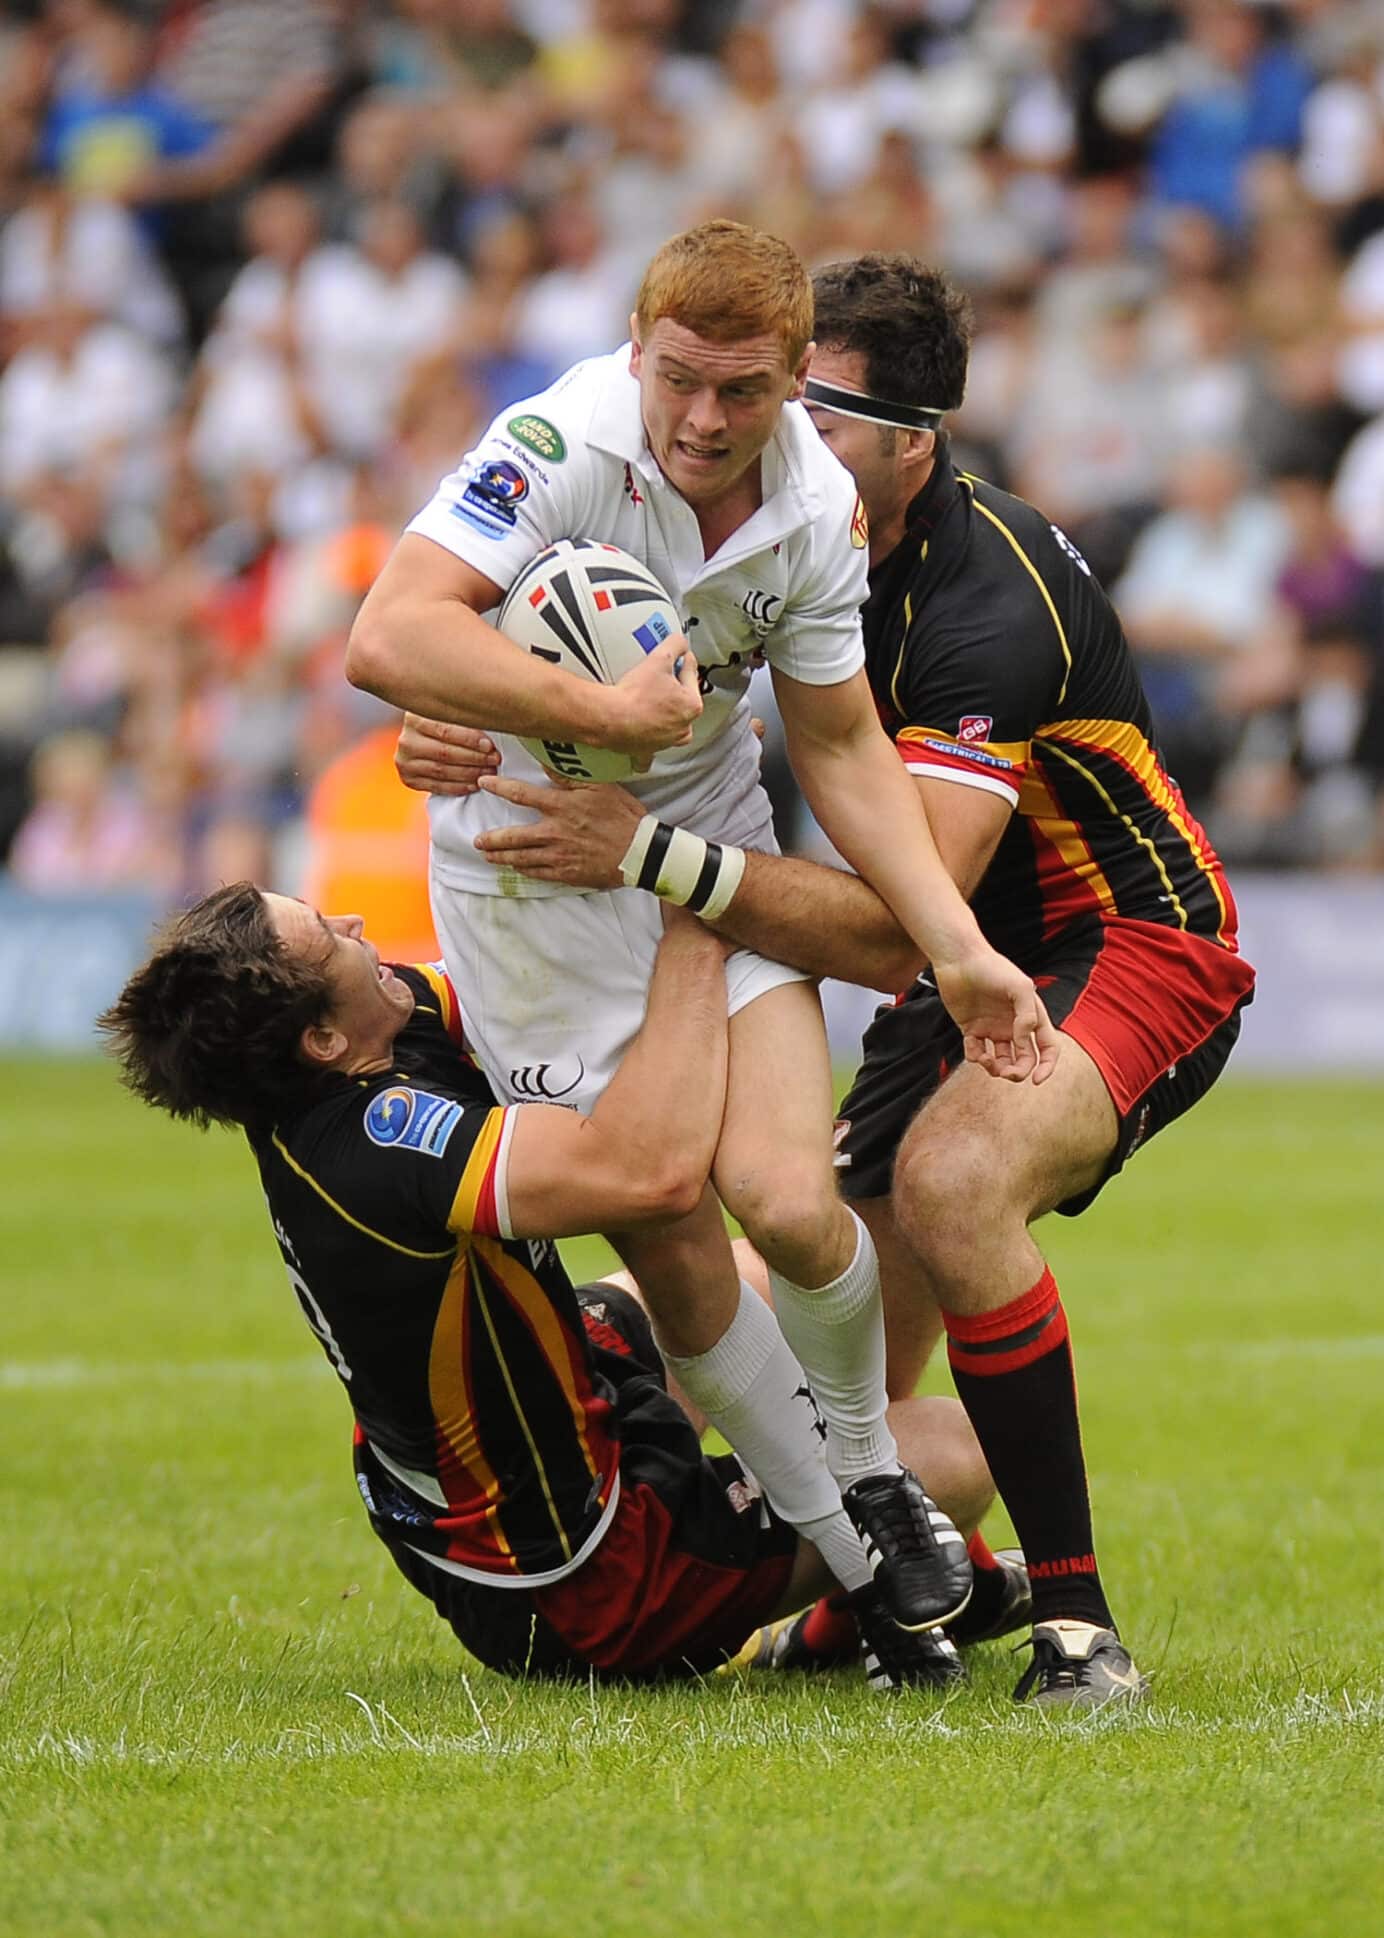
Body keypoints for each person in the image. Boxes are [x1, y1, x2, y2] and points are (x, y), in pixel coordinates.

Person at [399, 254, 1258, 1708]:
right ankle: (870, 1582)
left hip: (1122, 936)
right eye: (757, 395)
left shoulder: (981, 605)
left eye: (819, 410)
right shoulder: (732, 485)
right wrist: (466, 706)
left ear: (916, 436)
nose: (764, 428)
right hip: (958, 953)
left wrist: (651, 849)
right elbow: (557, 622)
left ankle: (1076, 1627)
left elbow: (874, 929)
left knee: (954, 1187)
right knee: (839, 1291)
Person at [346, 220, 1057, 1640]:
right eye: (679, 379)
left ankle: (869, 1485)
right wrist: (606, 714)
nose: (703, 418)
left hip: (702, 859)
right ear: (637, 347)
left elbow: (844, 744)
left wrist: (958, 946)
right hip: (530, 890)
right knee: (667, 1213)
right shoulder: (556, 442)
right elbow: (388, 632)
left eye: (742, 389)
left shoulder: (813, 509)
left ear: (800, 375)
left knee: (795, 1206)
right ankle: (866, 1566)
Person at [97, 881, 993, 1690]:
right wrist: (692, 919)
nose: (354, 922)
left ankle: (866, 1533)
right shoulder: (377, 1146)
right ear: (323, 1039)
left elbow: (529, 993)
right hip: (580, 1574)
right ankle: (870, 1601)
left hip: (539, 1419)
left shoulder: (356, 1040)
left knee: (759, 1265)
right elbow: (653, 1175)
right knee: (955, 1449)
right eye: (328, 935)